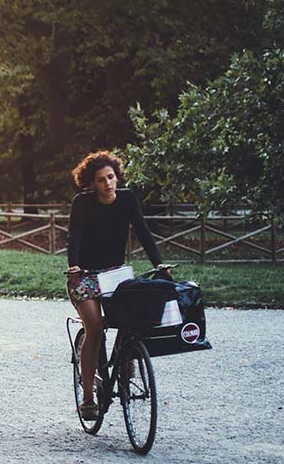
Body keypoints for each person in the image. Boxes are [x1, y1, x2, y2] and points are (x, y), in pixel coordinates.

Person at [65, 150, 169, 421]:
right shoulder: (83, 203)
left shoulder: (127, 199)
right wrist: (74, 265)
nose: (107, 183)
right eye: (101, 179)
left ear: (117, 177)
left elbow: (144, 232)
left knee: (133, 317)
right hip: (85, 275)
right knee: (96, 328)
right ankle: (88, 397)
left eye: (111, 177)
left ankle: (127, 355)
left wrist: (159, 264)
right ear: (92, 183)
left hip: (115, 274)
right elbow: (73, 237)